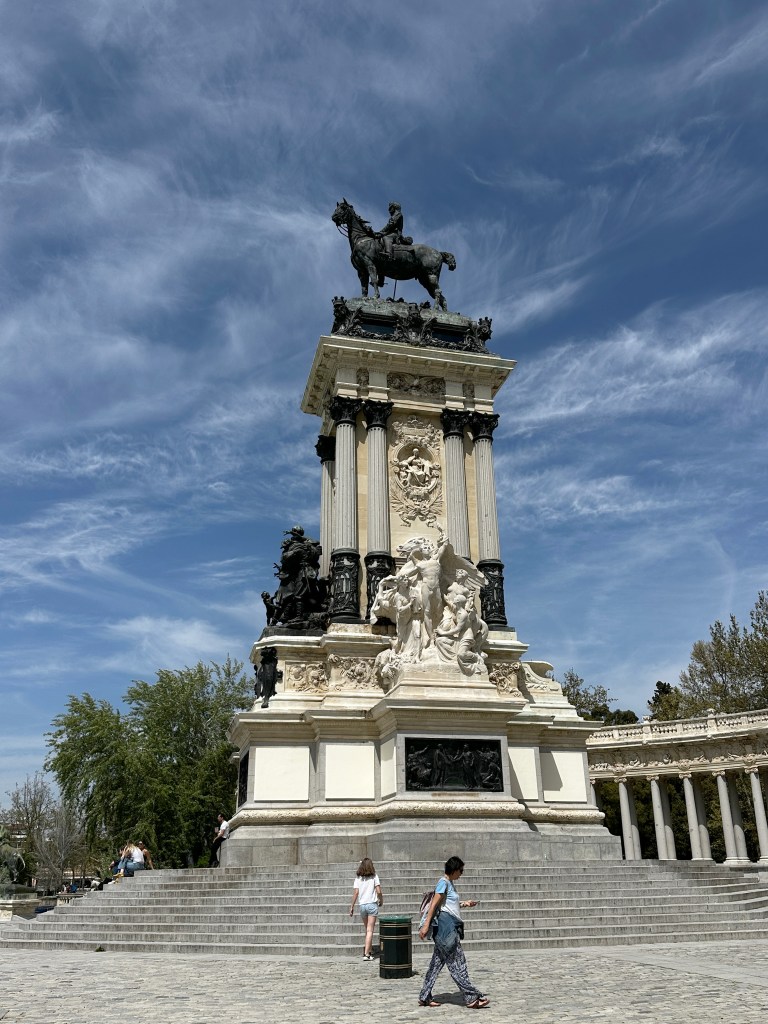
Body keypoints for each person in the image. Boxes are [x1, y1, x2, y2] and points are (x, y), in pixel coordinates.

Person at [417, 856, 488, 1009]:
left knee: (436, 965)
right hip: (446, 931)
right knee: (458, 964)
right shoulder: (443, 883)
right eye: (460, 870)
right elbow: (434, 905)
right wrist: (426, 925)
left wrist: (465, 904)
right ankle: (471, 997)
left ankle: (424, 996)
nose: (461, 873)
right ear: (454, 869)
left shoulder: (449, 884)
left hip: (447, 930)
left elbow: (448, 905)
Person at [348, 857, 383, 960]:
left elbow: (356, 893)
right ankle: (367, 954)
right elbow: (379, 891)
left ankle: (369, 949)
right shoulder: (374, 876)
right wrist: (381, 900)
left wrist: (352, 906)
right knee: (370, 930)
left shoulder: (358, 878)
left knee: (367, 929)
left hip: (362, 905)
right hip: (372, 904)